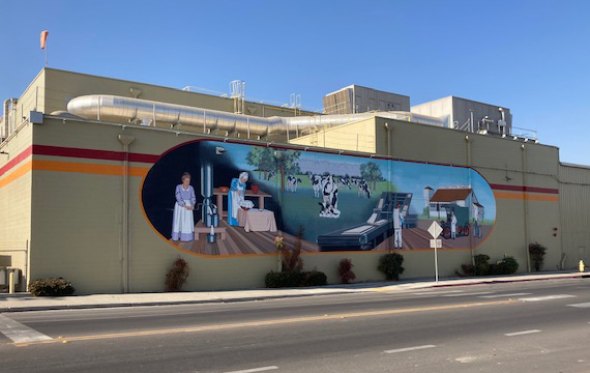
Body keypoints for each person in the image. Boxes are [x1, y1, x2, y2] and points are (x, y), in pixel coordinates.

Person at [172, 172, 196, 242]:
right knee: (179, 221)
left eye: (189, 181)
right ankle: (177, 236)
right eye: (186, 181)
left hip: (188, 206)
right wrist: (184, 205)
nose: (187, 182)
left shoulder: (191, 188)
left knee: (187, 222)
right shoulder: (178, 187)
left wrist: (192, 205)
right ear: (183, 180)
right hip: (180, 207)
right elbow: (178, 197)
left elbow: (193, 197)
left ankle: (186, 237)